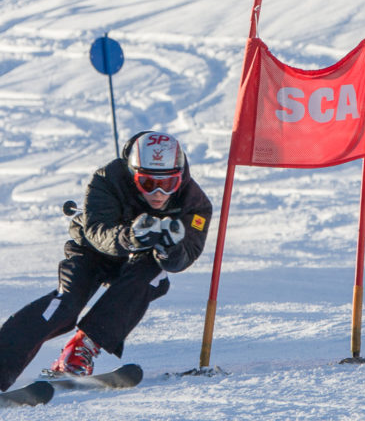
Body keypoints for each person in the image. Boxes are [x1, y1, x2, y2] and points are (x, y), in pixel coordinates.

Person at [0, 131, 212, 392]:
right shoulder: (107, 179)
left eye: (168, 184)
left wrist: (171, 249)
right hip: (93, 251)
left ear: (180, 179)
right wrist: (131, 237)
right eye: (147, 183)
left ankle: (80, 350)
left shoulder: (194, 204)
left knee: (153, 274)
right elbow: (97, 231)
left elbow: (185, 256)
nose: (158, 193)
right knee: (66, 303)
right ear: (133, 175)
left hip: (141, 262)